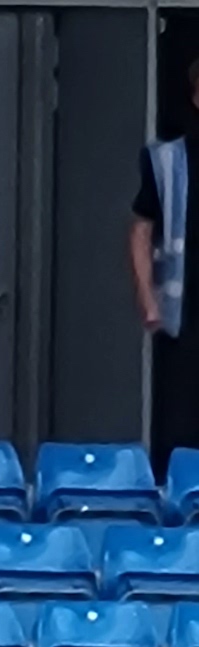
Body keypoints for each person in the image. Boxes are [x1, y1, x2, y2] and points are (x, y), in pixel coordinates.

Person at [132, 59, 199, 474]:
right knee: (181, 424)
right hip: (184, 313)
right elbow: (142, 229)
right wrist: (147, 297)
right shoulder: (168, 160)